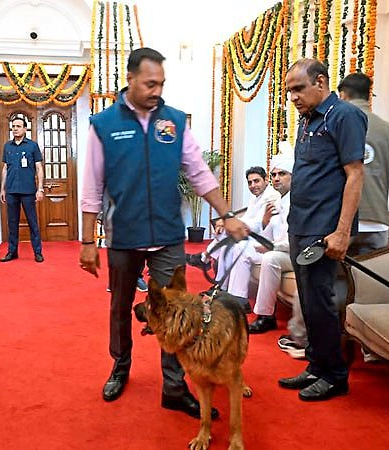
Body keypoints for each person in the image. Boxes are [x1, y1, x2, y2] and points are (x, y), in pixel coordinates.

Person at [78, 47, 248, 418]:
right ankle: (120, 366)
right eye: (149, 83)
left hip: (168, 236)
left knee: (177, 310)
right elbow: (91, 186)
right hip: (124, 236)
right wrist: (88, 241)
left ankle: (174, 386)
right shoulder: (103, 124)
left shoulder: (173, 122)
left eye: (161, 84)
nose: (157, 91)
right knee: (121, 307)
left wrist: (226, 213)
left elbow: (199, 172)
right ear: (130, 79)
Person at [278, 58, 366, 401]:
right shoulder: (308, 119)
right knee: (309, 302)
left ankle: (335, 375)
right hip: (300, 223)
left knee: (320, 302)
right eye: (289, 91)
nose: (293, 97)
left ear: (320, 82)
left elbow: (355, 174)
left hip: (324, 228)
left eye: (298, 89)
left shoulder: (345, 115)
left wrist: (342, 231)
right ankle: (316, 365)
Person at [186, 166, 279, 311]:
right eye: (250, 182)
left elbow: (258, 224)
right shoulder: (256, 198)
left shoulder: (271, 196)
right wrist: (229, 223)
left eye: (256, 181)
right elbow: (249, 219)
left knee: (236, 244)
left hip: (265, 242)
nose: (253, 185)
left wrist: (229, 222)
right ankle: (220, 286)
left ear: (266, 180)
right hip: (255, 238)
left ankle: (238, 297)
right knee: (227, 237)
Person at [337, 73, 389, 255]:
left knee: (336, 272)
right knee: (370, 273)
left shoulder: (335, 123)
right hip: (377, 223)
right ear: (368, 96)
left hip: (341, 223)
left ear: (343, 95)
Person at [224, 153, 294, 334]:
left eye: (282, 174)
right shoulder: (276, 201)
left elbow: (294, 239)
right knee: (240, 246)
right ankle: (237, 300)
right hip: (275, 248)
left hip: (292, 253)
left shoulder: (299, 201)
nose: (276, 178)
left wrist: (272, 246)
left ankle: (266, 316)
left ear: (293, 176)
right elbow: (265, 230)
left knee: (270, 258)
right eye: (274, 175)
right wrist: (265, 221)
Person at [0, 117, 45, 263]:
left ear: (25, 129)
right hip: (11, 190)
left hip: (28, 190)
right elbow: (5, 168)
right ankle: (12, 252)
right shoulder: (8, 146)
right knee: (12, 223)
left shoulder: (32, 146)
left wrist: (40, 188)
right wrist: (2, 189)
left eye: (18, 126)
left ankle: (38, 252)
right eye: (13, 126)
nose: (15, 129)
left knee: (32, 222)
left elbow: (39, 167)